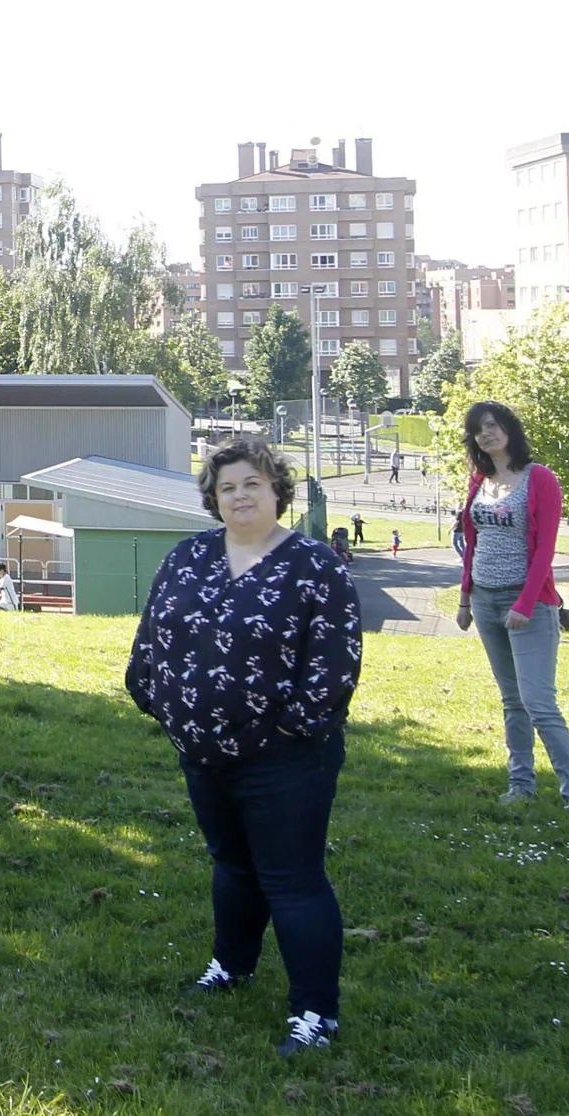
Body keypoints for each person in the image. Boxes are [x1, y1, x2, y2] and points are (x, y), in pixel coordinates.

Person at [126, 439, 362, 1057]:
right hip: (202, 751)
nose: (239, 496)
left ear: (276, 490)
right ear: (213, 496)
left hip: (285, 758)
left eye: (252, 484)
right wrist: (158, 699)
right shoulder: (188, 556)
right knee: (231, 863)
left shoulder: (315, 564)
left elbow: (335, 662)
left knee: (291, 879)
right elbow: (153, 632)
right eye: (227, 486)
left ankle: (316, 1012)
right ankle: (232, 966)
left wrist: (291, 728)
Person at [454, 401, 569, 827]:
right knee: (511, 701)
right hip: (484, 598)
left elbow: (545, 551)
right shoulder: (480, 480)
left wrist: (524, 604)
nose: (487, 434)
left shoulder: (539, 479)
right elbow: (472, 543)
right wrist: (465, 600)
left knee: (539, 703)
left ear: (510, 431)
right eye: (479, 429)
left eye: (494, 426)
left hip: (529, 603)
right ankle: (520, 787)